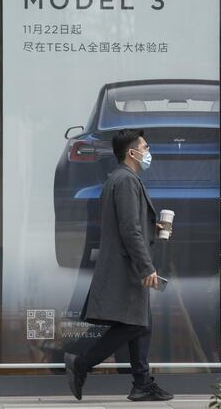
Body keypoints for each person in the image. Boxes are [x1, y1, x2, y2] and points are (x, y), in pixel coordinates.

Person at [65, 128, 173, 402]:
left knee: (141, 323)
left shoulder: (125, 179)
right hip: (127, 266)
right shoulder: (125, 180)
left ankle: (142, 383)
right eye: (146, 147)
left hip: (127, 264)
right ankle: (82, 361)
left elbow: (132, 223)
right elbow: (128, 229)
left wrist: (153, 225)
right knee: (135, 325)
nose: (149, 152)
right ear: (132, 152)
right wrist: (146, 267)